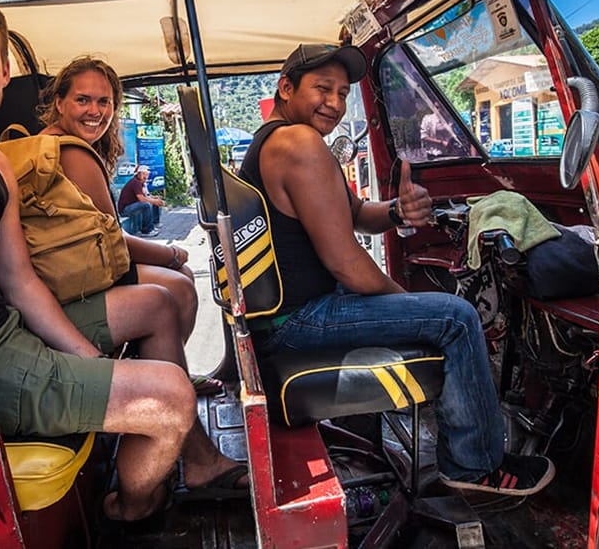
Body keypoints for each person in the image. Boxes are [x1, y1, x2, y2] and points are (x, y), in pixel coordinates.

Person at [0, 7, 242, 522]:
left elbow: (19, 281)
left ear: (4, 74)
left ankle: (153, 451)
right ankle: (129, 510)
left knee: (156, 302)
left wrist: (89, 361)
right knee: (169, 398)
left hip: (8, 329)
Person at [238, 42, 555, 497]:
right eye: (322, 89)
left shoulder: (278, 140)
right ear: (286, 88)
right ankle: (476, 466)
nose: (335, 103)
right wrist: (416, 310)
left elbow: (358, 212)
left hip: (291, 314)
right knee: (457, 317)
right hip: (301, 320)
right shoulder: (298, 143)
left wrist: (397, 212)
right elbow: (346, 263)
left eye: (344, 92)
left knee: (432, 310)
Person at [37, 56, 221, 396]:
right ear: (59, 102)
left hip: (69, 266)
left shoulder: (45, 143)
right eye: (83, 99)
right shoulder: (71, 153)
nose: (95, 110)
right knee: (179, 285)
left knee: (176, 275)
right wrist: (172, 251)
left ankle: (163, 366)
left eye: (104, 101)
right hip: (71, 278)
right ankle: (161, 382)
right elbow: (115, 243)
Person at [117, 165, 165, 237]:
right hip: (125, 210)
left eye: (146, 174)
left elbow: (146, 196)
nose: (145, 176)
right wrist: (154, 201)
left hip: (131, 206)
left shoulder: (140, 182)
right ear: (138, 174)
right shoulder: (136, 183)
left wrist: (155, 199)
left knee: (153, 202)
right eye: (143, 174)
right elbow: (141, 199)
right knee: (146, 205)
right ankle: (146, 231)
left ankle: (155, 224)